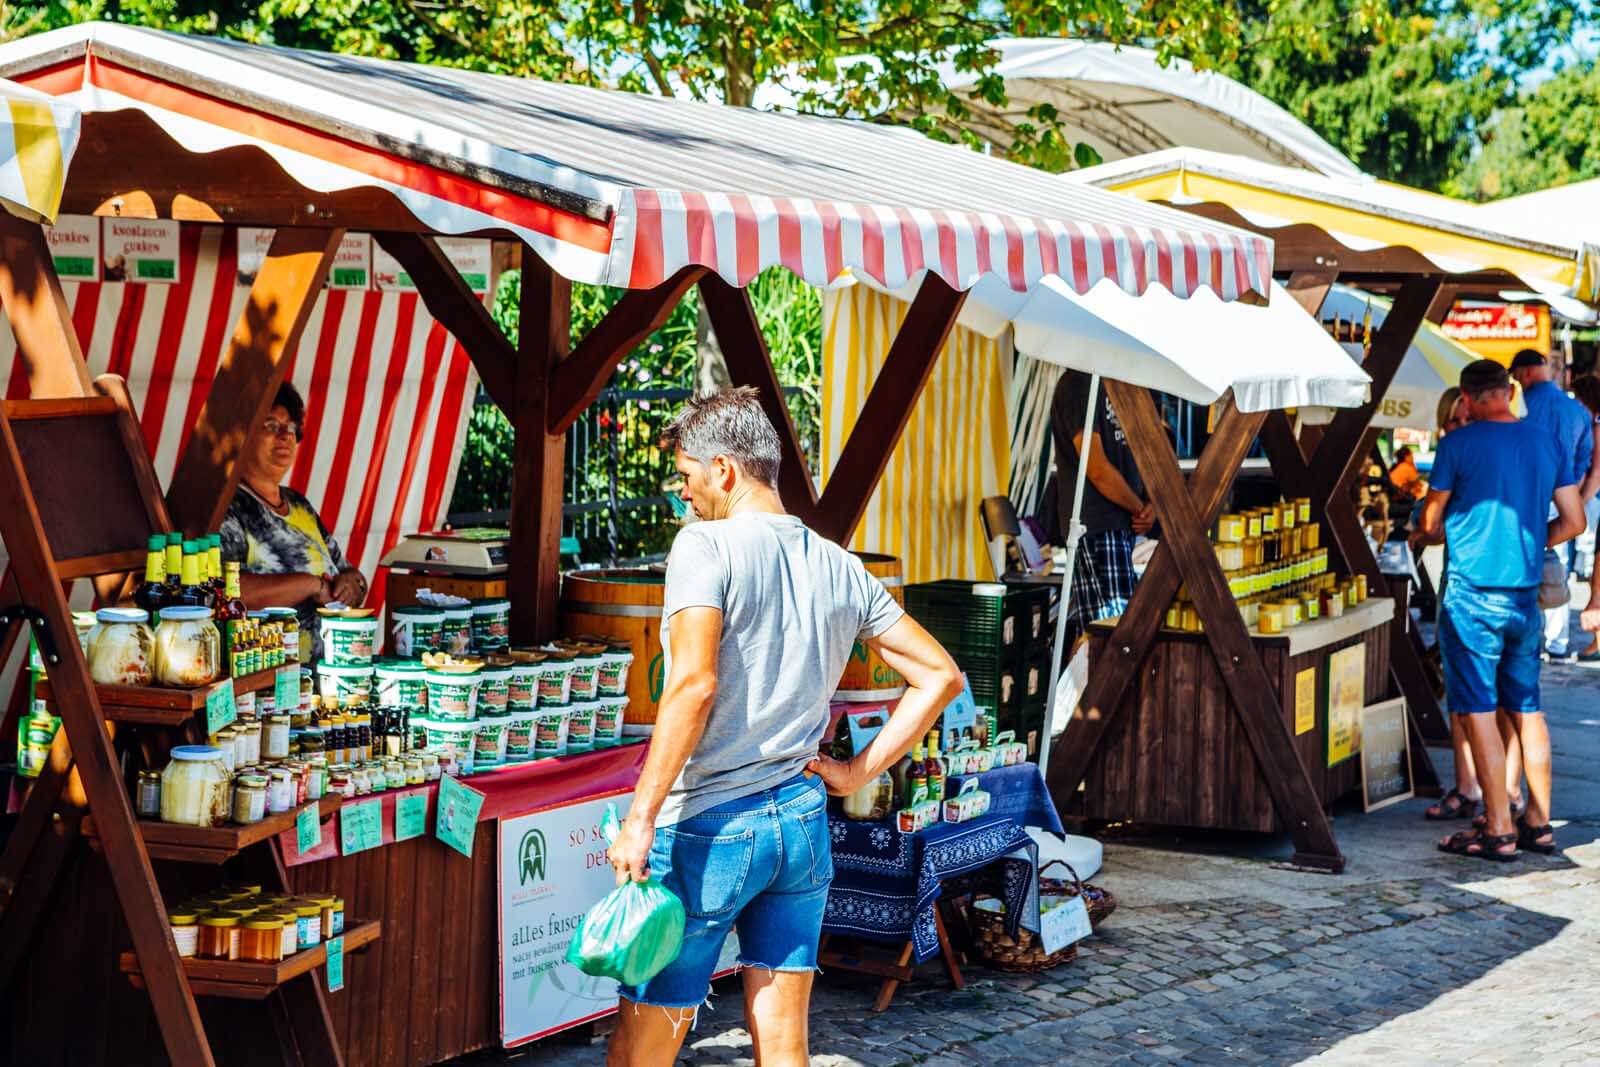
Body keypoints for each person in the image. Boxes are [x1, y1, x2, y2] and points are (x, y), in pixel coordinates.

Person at [604, 387, 962, 1067]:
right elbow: (939, 674)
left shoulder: (703, 547)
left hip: (710, 826)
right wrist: (856, 773)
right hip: (798, 823)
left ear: (725, 471)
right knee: (785, 1048)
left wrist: (641, 815)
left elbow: (693, 683)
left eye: (685, 475)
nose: (683, 495)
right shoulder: (838, 563)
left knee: (640, 1051)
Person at [1410, 360, 1585, 860]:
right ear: (1509, 391)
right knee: (1528, 709)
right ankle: (1539, 822)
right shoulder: (1545, 441)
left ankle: (1499, 829)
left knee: (1479, 709)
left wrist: (1429, 530)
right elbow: (1573, 521)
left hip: (1471, 594)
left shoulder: (1458, 444)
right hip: (1524, 594)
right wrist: (1530, 543)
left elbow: (1430, 517)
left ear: (1465, 400)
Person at [218, 382, 367, 659]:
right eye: (271, 425)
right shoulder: (229, 506)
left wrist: (352, 586)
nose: (285, 436)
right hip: (265, 680)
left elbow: (351, 573)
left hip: (328, 676)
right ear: (243, 435)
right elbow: (226, 592)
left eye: (291, 428)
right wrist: (311, 585)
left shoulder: (299, 505)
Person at [1050, 370, 1153, 645]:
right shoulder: (1080, 382)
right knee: (1114, 635)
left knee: (1118, 629)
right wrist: (1139, 508)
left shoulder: (1120, 382)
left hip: (1121, 526)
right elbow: (1096, 467)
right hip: (1097, 525)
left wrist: (1149, 505)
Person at [1422, 385, 1485, 822]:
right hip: (1460, 579)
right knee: (1462, 694)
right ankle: (1470, 786)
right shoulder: (1461, 453)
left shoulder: (1480, 453)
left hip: (1476, 584)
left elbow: (1432, 524)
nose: (1460, 430)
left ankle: (1493, 792)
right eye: (1453, 423)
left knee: (1492, 700)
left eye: (1466, 420)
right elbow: (1431, 526)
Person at [1509, 349, 1596, 660]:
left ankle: (1526, 639)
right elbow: (1586, 460)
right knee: (1555, 568)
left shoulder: (1525, 406)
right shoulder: (1577, 410)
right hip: (1566, 496)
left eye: (1517, 374)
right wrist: (1576, 499)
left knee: (1524, 563)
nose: (1516, 380)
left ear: (1528, 371)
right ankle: (1557, 643)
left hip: (1530, 495)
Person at [1573, 374, 1600, 661]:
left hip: (1596, 501)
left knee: (1598, 571)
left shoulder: (1597, 422)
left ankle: (1598, 641)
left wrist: (1578, 504)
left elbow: (1596, 471)